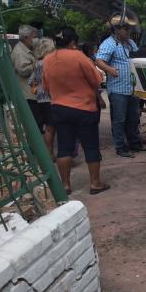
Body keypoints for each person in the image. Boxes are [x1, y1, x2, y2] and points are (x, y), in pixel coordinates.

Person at [43, 28, 109, 195]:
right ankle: (95, 184)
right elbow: (97, 79)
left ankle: (65, 185)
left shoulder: (47, 59)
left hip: (59, 108)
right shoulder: (79, 56)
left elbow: (46, 86)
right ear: (73, 42)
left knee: (64, 147)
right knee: (91, 146)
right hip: (84, 108)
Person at [95, 13, 146, 158]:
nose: (129, 32)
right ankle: (120, 147)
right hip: (118, 89)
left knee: (134, 118)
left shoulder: (130, 43)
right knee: (119, 120)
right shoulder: (109, 43)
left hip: (132, 88)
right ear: (117, 30)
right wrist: (109, 69)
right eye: (126, 29)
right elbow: (99, 60)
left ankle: (135, 143)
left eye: (129, 29)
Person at [10, 25, 43, 131]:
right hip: (27, 94)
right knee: (34, 124)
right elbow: (23, 70)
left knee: (38, 122)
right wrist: (37, 64)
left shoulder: (26, 49)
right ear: (25, 37)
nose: (35, 39)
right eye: (33, 37)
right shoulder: (20, 51)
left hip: (32, 92)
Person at [28, 38, 56, 160]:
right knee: (51, 128)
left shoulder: (37, 63)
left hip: (40, 99)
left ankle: (48, 153)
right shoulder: (48, 62)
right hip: (50, 99)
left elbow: (30, 81)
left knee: (48, 128)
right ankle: (50, 154)